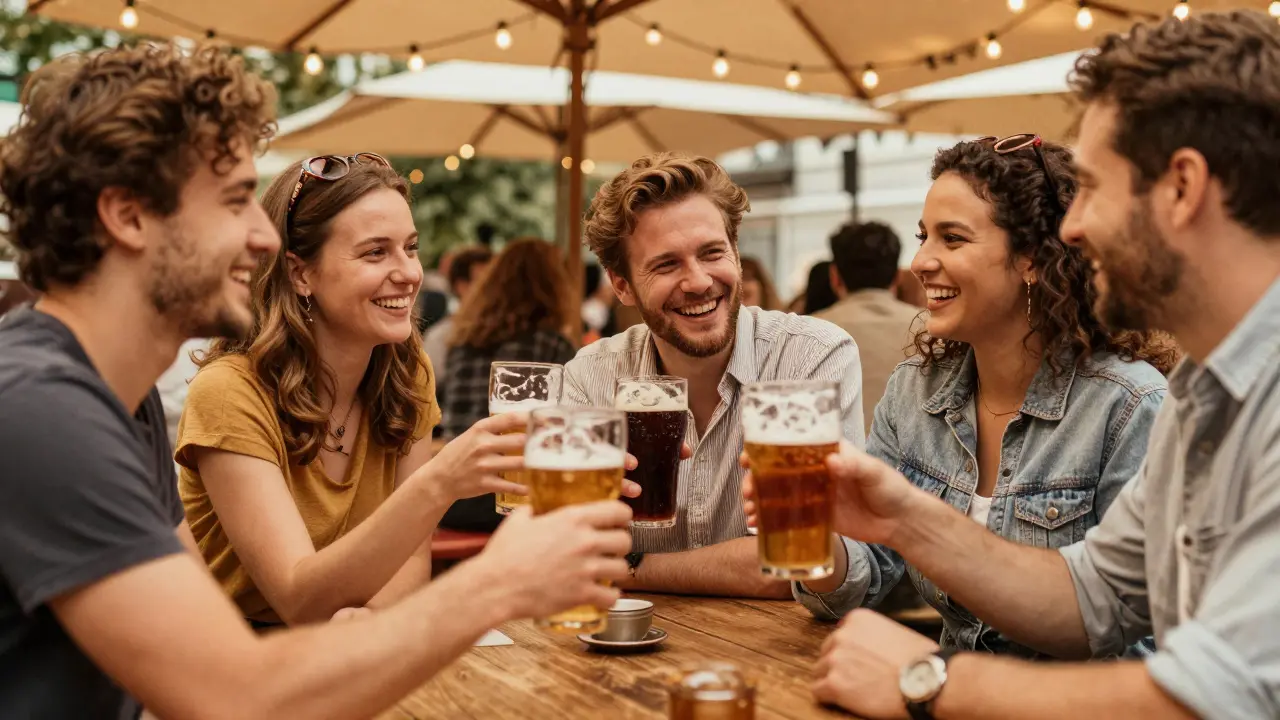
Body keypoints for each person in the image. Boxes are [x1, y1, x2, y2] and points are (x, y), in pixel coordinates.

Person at [0, 42, 631, 720]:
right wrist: (498, 580)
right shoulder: (39, 407)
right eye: (236, 200)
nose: (265, 237)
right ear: (127, 216)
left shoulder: (122, 402)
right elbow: (232, 692)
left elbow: (207, 636)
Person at [799, 10, 1280, 719]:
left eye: (1091, 186)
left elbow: (1220, 698)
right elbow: (1094, 597)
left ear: (1182, 187)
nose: (1073, 226)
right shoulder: (1204, 391)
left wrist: (926, 683)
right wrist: (903, 519)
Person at [776, 134, 1178, 658]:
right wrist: (812, 535)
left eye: (953, 239)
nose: (920, 261)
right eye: (923, 236)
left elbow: (1142, 641)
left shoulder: (1127, 406)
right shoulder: (916, 390)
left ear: (1031, 258)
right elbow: (864, 577)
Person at [173, 155, 528, 627]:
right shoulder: (230, 393)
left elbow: (409, 561)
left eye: (411, 247)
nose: (409, 273)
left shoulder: (406, 371)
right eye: (375, 253)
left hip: (353, 646)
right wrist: (441, 483)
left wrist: (367, 627)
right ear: (301, 274)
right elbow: (297, 597)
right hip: (243, 661)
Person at [566, 152, 864, 599]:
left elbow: (820, 566)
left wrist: (630, 567)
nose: (699, 281)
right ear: (622, 286)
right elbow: (559, 553)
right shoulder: (592, 376)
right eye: (666, 265)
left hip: (778, 656)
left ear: (737, 253)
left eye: (712, 253)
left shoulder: (811, 355)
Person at [439, 237, 578, 532]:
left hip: (456, 497)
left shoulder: (463, 342)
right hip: (512, 497)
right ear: (553, 285)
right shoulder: (552, 345)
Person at [813, 221, 923, 433]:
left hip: (835, 461)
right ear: (898, 277)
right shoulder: (932, 329)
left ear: (834, 277)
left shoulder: (808, 331)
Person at [422, 245, 492, 386]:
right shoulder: (440, 337)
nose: (494, 289)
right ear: (461, 286)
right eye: (485, 282)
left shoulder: (510, 333)